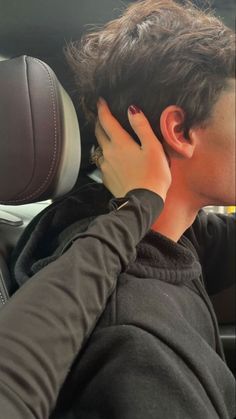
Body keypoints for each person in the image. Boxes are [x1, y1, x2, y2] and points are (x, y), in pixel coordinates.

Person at [0, 0, 235, 418]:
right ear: (179, 130)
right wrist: (141, 203)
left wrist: (140, 203)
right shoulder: (135, 344)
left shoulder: (172, 233)